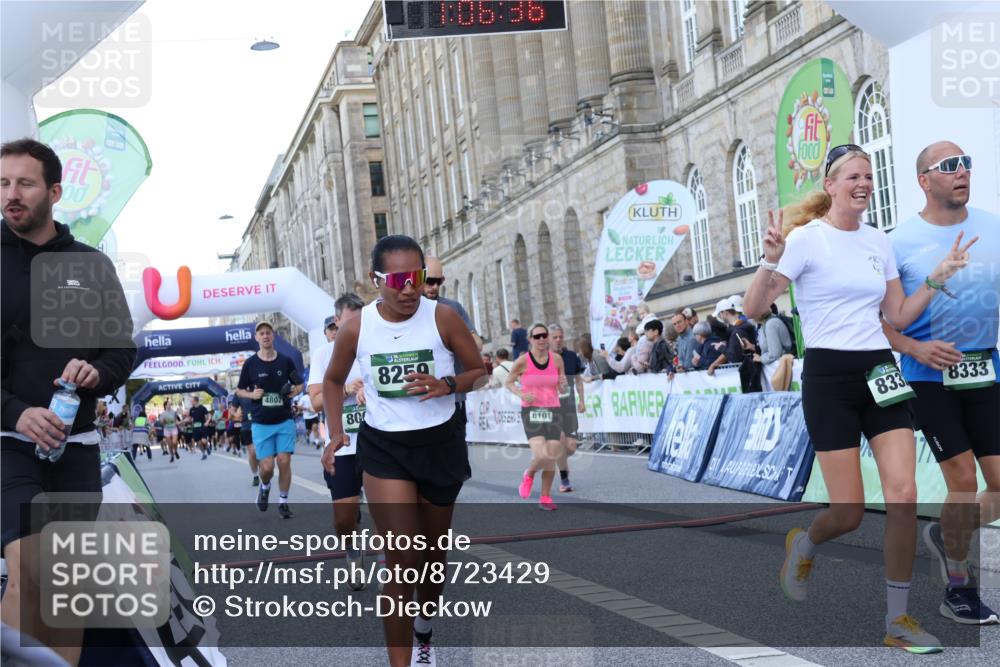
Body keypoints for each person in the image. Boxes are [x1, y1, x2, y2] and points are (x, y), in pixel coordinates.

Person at [743, 144, 976, 653]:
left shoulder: (878, 242)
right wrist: (770, 260)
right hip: (829, 377)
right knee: (848, 512)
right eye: (853, 176)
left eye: (869, 175)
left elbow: (896, 315)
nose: (864, 183)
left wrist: (938, 277)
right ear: (830, 185)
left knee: (904, 494)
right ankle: (804, 543)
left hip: (880, 373)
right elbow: (755, 308)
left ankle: (898, 620)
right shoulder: (805, 239)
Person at [1, 137, 136, 666]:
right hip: (9, 447)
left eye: (25, 183)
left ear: (55, 191)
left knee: (67, 592)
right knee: (30, 571)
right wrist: (17, 412)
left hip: (77, 449)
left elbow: (122, 350)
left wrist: (96, 372)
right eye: (5, 183)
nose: (12, 194)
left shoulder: (92, 265)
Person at [322, 236, 485, 667]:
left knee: (432, 558)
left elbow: (478, 371)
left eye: (415, 277)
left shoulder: (443, 318)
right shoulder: (358, 326)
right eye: (398, 279)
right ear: (378, 281)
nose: (409, 288)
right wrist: (337, 433)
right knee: (401, 559)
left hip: (440, 444)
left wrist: (446, 384)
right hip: (385, 448)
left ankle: (424, 633)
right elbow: (334, 379)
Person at [883, 141, 999, 625]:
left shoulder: (993, 225)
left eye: (966, 163)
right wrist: (915, 348)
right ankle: (958, 589)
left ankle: (948, 533)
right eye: (949, 166)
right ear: (924, 180)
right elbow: (881, 321)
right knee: (962, 480)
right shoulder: (898, 241)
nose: (961, 171)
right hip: (929, 377)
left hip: (986, 369)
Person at [308, 293, 371, 590]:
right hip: (343, 446)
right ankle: (352, 548)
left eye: (361, 321)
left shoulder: (375, 347)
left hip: (378, 443)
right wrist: (346, 389)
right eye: (349, 322)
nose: (357, 328)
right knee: (344, 520)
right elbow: (316, 402)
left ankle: (388, 570)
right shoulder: (324, 355)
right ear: (337, 322)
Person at [236, 321, 304, 519]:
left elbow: (299, 384)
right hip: (261, 423)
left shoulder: (285, 361)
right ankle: (265, 487)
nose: (265, 336)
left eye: (268, 333)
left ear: (273, 336)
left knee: (284, 461)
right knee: (266, 467)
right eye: (261, 333)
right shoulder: (250, 364)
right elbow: (239, 390)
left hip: (284, 420)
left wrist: (293, 392)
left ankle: (283, 502)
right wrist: (251, 395)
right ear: (256, 338)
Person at [505, 323, 567, 509]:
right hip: (532, 411)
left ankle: (545, 497)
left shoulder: (556, 359)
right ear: (530, 339)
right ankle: (529, 474)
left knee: (552, 455)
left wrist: (563, 384)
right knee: (542, 454)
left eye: (544, 335)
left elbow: (562, 387)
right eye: (537, 336)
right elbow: (509, 382)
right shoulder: (523, 361)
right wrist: (521, 394)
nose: (541, 339)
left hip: (553, 410)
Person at [549, 324, 585, 493]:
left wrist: (582, 401)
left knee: (570, 446)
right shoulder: (543, 359)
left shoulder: (571, 356)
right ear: (548, 339)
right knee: (559, 441)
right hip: (551, 408)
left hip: (569, 407)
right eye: (554, 337)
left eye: (560, 337)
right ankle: (564, 479)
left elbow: (578, 379)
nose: (558, 340)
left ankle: (561, 459)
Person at [707, 295, 761, 392]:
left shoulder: (738, 331)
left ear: (725, 313)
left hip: (749, 371)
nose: (720, 318)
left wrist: (721, 348)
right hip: (752, 369)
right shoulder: (742, 327)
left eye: (720, 314)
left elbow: (735, 356)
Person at [756, 304, 796, 391]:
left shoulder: (771, 324)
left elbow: (774, 354)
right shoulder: (767, 323)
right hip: (780, 367)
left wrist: (760, 358)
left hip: (781, 368)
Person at [188, 395, 210, 461]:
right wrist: (182, 422)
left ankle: (207, 447)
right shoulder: (191, 409)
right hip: (195, 428)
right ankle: (204, 454)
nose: (191, 402)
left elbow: (209, 416)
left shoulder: (202, 408)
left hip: (203, 427)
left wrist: (207, 422)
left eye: (192, 401)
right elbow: (189, 418)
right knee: (199, 443)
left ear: (195, 401)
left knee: (204, 441)